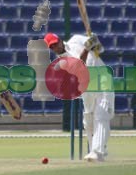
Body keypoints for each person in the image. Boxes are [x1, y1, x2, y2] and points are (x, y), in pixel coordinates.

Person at [44, 32, 114, 162]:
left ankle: (97, 151)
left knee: (101, 113)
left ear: (60, 40)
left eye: (55, 43)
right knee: (88, 119)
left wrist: (95, 43)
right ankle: (99, 149)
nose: (55, 47)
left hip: (102, 78)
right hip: (86, 86)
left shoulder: (76, 39)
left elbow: (100, 49)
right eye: (52, 47)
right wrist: (87, 47)